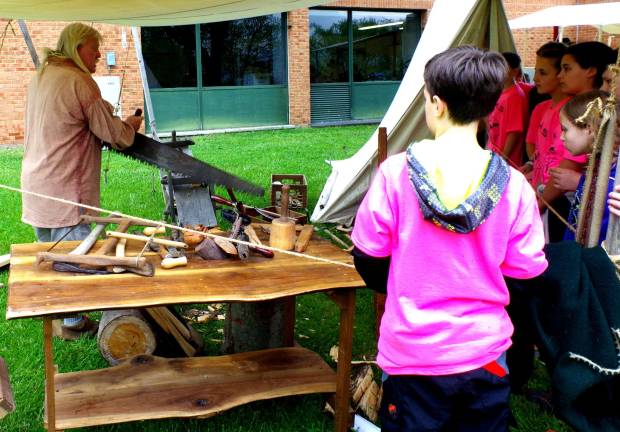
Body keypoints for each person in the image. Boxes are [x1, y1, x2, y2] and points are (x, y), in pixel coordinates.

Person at [351, 46, 547, 431]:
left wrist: (404, 283)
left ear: (436, 104)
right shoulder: (515, 185)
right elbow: (526, 279)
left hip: (413, 356)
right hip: (485, 355)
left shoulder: (395, 174)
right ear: (489, 107)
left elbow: (368, 260)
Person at [20, 22, 142, 339]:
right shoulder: (78, 80)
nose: (100, 54)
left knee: (52, 252)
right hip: (65, 186)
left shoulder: (42, 76)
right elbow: (113, 134)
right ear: (77, 49)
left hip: (38, 182)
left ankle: (64, 316)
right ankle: (76, 323)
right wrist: (130, 125)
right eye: (94, 48)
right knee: (76, 257)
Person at [551, 90, 618, 242]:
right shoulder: (598, 168)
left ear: (589, 129)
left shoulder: (611, 184)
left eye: (565, 129)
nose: (562, 137)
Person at [487, 52, 528, 167]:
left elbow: (514, 131)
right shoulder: (500, 92)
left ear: (514, 72)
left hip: (506, 161)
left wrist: (503, 158)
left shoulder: (515, 96)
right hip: (494, 153)